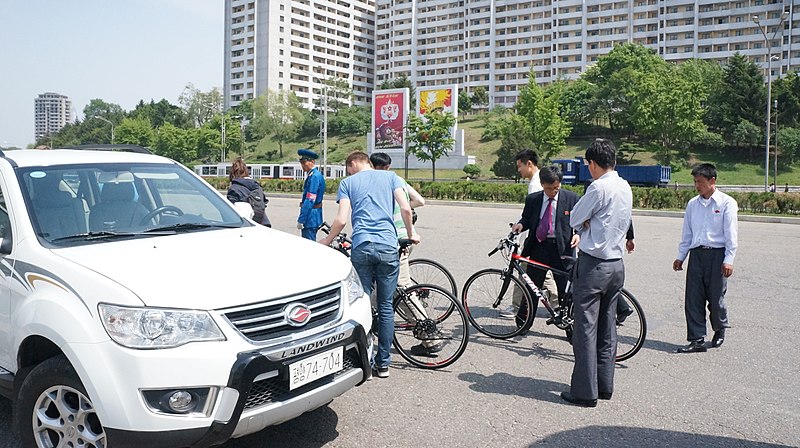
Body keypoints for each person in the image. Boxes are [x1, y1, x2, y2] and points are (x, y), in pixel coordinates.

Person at [319, 151, 418, 379]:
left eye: (348, 168)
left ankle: (364, 364)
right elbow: (405, 208)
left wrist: (326, 240)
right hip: (387, 246)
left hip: (362, 246)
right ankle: (383, 365)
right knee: (385, 307)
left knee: (361, 304)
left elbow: (342, 219)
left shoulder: (347, 183)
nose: (348, 173)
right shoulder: (391, 177)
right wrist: (411, 234)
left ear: (353, 163)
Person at [561, 138, 632, 408]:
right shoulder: (625, 186)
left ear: (592, 163)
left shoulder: (598, 187)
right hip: (616, 265)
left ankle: (584, 392)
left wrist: (587, 221)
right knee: (607, 328)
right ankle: (604, 385)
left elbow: (574, 217)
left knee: (585, 330)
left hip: (593, 265)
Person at [370, 152, 437, 356]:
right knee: (382, 290)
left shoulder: (378, 181)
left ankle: (429, 337)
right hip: (405, 236)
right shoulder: (397, 179)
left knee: (402, 288)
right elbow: (420, 201)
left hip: (396, 240)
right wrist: (401, 208)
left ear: (373, 167)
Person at [673, 163, 738, 353]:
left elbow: (731, 235)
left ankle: (720, 328)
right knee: (693, 299)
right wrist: (680, 257)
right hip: (697, 255)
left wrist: (729, 259)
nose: (697, 186)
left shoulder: (726, 203)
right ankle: (697, 339)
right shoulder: (693, 204)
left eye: (700, 182)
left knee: (716, 299)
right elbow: (687, 234)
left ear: (712, 181)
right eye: (695, 182)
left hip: (717, 255)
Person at [510, 166, 579, 324]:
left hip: (562, 249)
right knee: (532, 287)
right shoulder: (533, 199)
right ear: (542, 184)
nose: (554, 191)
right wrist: (520, 225)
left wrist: (577, 234)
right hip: (539, 246)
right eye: (550, 188)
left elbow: (581, 222)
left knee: (566, 290)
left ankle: (570, 327)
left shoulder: (571, 198)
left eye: (557, 187)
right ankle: (523, 323)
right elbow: (526, 218)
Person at [226, 157, 271, 227]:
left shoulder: (234, 188)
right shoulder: (257, 186)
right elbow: (264, 203)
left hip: (247, 226)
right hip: (264, 224)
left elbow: (232, 212)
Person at [297, 149, 325, 240]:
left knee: (308, 247)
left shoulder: (314, 177)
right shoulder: (314, 175)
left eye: (304, 162)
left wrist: (302, 219)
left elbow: (310, 199)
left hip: (310, 217)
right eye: (301, 162)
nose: (303, 165)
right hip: (313, 216)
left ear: (312, 162)